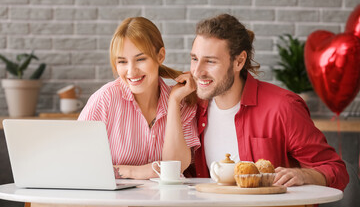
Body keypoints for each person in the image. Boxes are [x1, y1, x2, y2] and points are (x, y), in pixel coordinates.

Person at [189, 13, 349, 190]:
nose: (197, 71)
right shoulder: (191, 108)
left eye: (210, 61)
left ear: (239, 61)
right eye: (194, 59)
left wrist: (303, 175)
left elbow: (337, 170)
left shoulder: (283, 107)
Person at [78, 17, 199, 179]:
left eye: (140, 59)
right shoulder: (105, 99)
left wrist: (173, 103)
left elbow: (174, 168)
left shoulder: (182, 102)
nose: (131, 71)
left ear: (160, 56)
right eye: (122, 62)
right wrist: (140, 171)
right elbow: (78, 163)